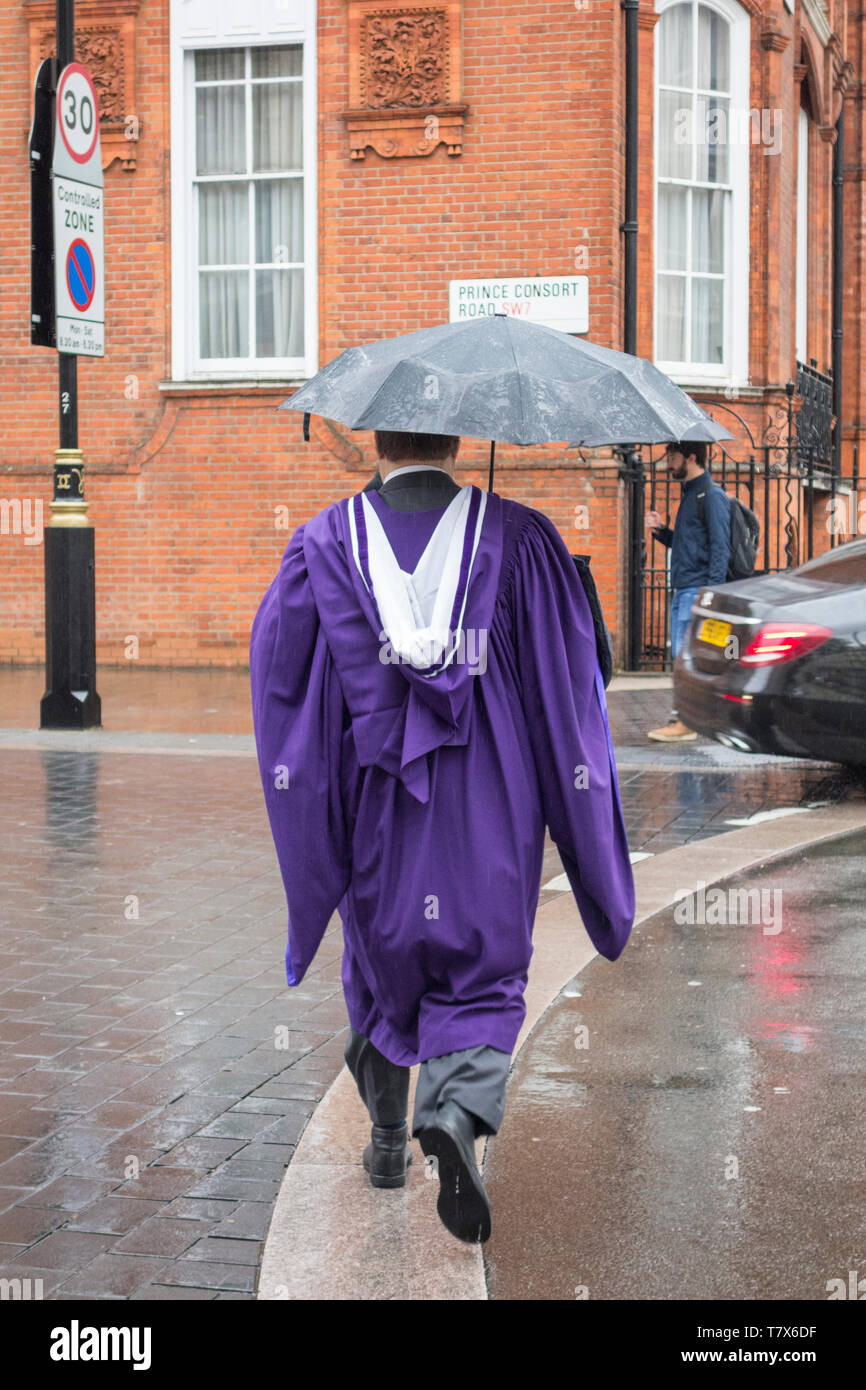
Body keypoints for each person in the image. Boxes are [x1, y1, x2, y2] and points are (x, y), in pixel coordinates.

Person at [250, 430, 635, 1244]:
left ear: (377, 441)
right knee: (482, 972)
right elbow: (569, 696)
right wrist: (586, 833)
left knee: (383, 966)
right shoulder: (522, 539)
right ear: (455, 439)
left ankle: (388, 1138)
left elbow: (284, 687)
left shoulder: (320, 545)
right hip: (490, 803)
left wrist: (315, 814)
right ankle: (455, 1117)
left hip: (375, 801)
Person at [645, 441, 731, 742]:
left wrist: (711, 595)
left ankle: (684, 721)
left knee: (685, 658)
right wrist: (662, 533)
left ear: (691, 457)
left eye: (673, 457)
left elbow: (722, 548)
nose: (668, 463)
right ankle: (697, 716)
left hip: (696, 590)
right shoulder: (691, 496)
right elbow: (688, 546)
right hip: (684, 588)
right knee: (687, 657)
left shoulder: (711, 496)